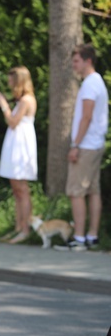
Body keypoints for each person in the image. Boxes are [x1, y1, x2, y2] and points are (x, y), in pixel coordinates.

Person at [56, 44, 108, 251]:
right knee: (93, 191)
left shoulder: (89, 85)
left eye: (76, 61)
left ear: (88, 61)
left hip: (86, 145)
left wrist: (75, 144)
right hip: (96, 143)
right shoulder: (98, 82)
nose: (73, 65)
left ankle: (78, 238)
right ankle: (92, 236)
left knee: (76, 192)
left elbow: (86, 117)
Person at [0, 66, 38, 244]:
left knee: (22, 188)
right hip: (15, 146)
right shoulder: (21, 100)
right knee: (16, 190)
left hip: (22, 148)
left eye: (12, 80)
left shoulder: (27, 100)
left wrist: (4, 106)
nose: (9, 84)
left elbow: (13, 122)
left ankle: (26, 229)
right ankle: (18, 226)